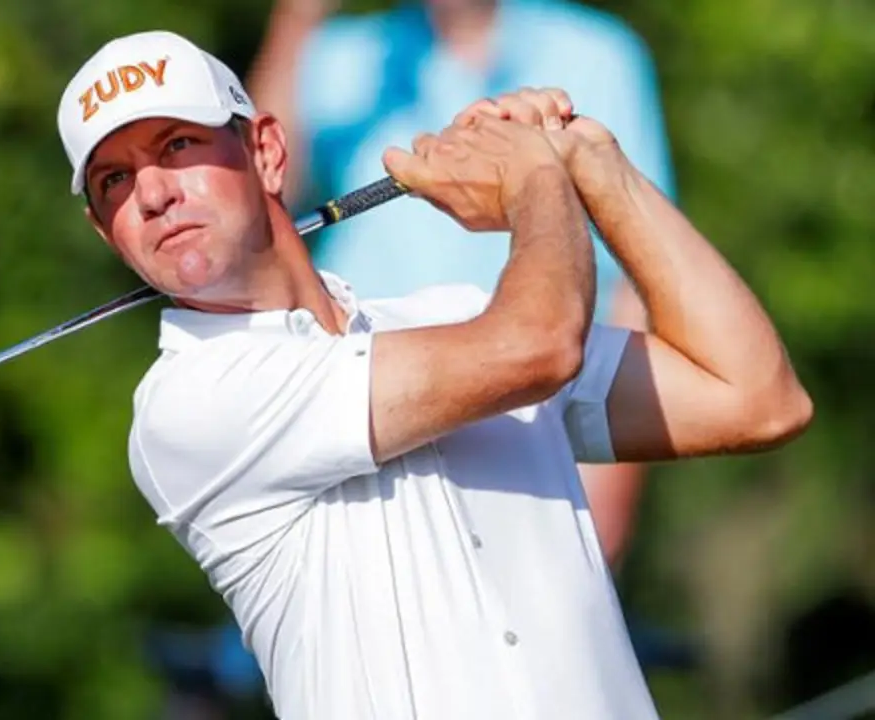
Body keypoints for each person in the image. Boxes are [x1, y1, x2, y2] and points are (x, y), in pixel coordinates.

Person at [56, 29, 812, 719]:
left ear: (267, 154)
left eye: (179, 145)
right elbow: (538, 348)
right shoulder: (187, 406)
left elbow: (754, 399)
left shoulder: (452, 315)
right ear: (102, 227)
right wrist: (535, 182)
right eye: (114, 181)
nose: (151, 194)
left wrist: (593, 164)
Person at [247, 0, 676, 568]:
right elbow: (257, 207)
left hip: (543, 429)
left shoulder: (599, 53)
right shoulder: (343, 54)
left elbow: (632, 273)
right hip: (376, 435)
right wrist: (298, 17)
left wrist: (612, 484)